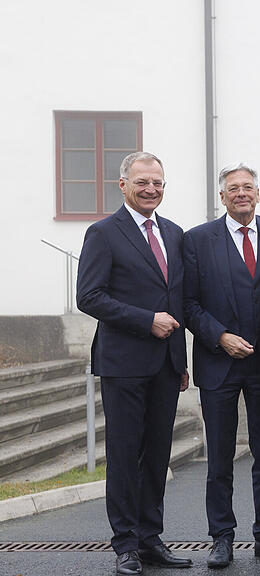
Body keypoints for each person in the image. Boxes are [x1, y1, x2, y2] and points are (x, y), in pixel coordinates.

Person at [77, 151, 193, 575]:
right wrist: (147, 322)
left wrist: (180, 361)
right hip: (124, 363)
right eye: (142, 182)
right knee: (126, 456)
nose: (151, 189)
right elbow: (88, 296)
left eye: (158, 183)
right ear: (122, 184)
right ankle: (125, 544)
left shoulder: (175, 233)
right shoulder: (103, 233)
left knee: (158, 455)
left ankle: (150, 539)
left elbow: (176, 298)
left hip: (165, 364)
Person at [182, 163, 260, 568]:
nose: (241, 194)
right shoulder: (197, 240)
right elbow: (188, 303)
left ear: (258, 193)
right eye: (233, 189)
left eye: (248, 187)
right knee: (220, 456)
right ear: (222, 197)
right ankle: (221, 537)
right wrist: (219, 336)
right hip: (219, 363)